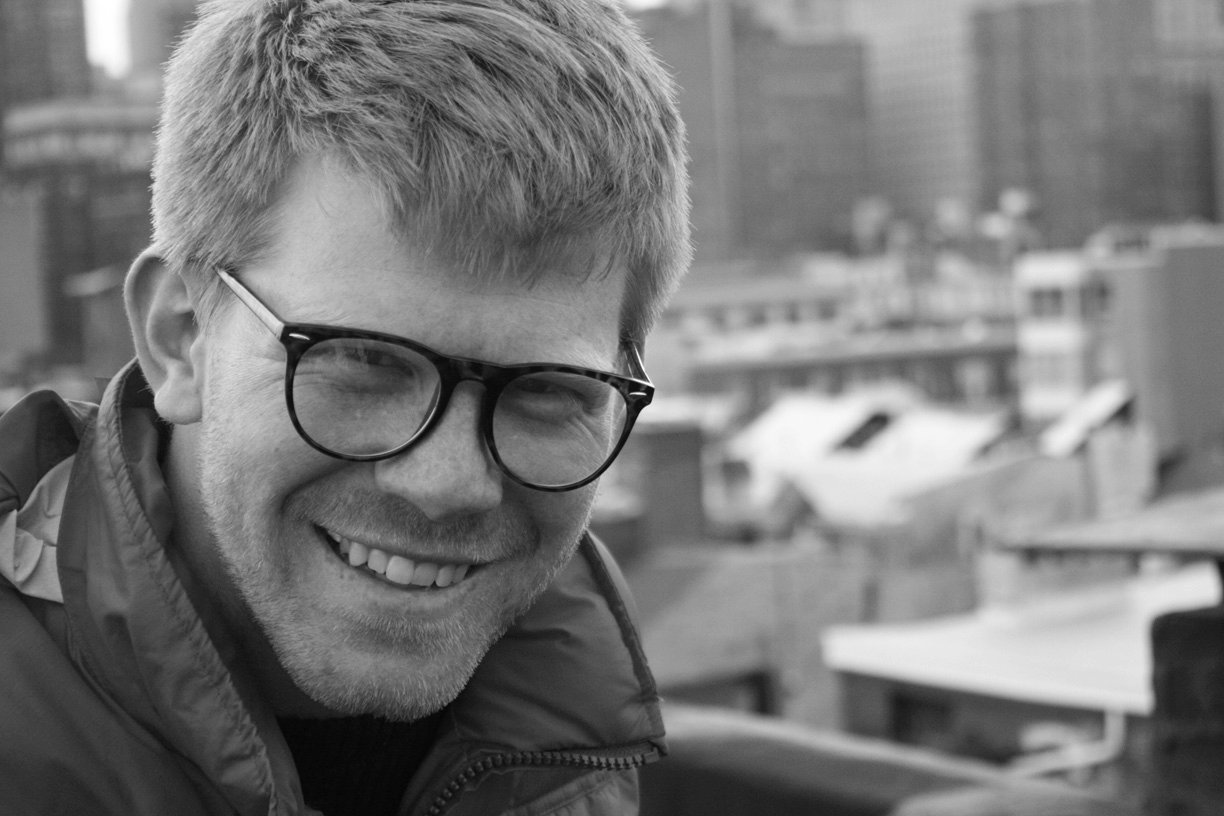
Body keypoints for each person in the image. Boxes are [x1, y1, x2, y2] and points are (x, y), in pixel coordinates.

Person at [0, 0, 691, 813]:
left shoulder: (574, 731)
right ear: (180, 338)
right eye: (363, 363)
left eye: (546, 392)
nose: (448, 484)